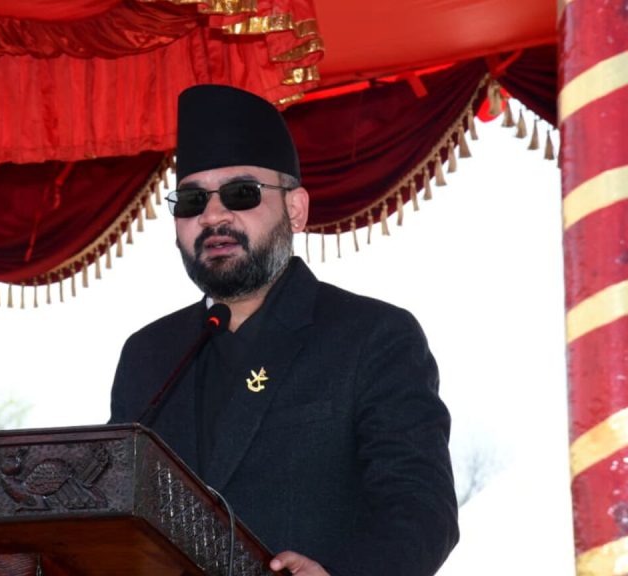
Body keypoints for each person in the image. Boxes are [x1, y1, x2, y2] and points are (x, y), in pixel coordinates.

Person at [109, 84, 459, 576]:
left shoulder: (371, 336)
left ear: (295, 209)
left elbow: (421, 507)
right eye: (191, 200)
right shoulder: (149, 354)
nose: (213, 216)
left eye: (241, 193)